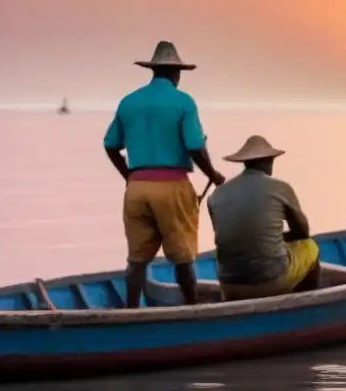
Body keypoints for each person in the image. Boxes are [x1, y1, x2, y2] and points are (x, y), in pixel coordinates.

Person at [103, 41, 225, 308]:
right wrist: (213, 173)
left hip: (136, 189)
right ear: (176, 73)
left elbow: (110, 145)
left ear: (153, 70)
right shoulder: (183, 102)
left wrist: (128, 176)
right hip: (172, 186)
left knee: (136, 261)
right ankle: (192, 309)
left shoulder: (129, 101)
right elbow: (194, 146)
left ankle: (131, 313)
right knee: (183, 258)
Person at [206, 135, 321, 302]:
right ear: (269, 161)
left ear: (245, 162)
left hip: (229, 285)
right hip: (270, 281)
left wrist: (271, 237)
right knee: (310, 247)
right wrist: (280, 237)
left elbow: (229, 234)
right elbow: (302, 232)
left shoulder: (217, 194)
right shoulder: (280, 187)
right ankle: (308, 306)